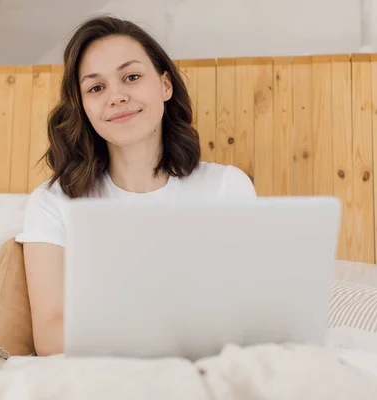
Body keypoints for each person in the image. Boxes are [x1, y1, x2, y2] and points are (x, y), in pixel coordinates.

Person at [15, 15, 257, 357]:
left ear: (165, 85)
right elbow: (51, 340)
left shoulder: (226, 187)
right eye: (96, 88)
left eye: (131, 77)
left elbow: (250, 316)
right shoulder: (53, 202)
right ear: (83, 107)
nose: (116, 96)